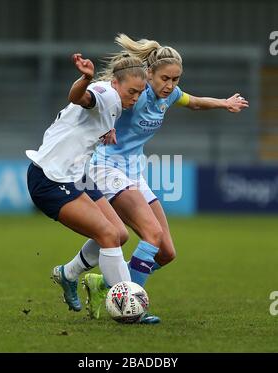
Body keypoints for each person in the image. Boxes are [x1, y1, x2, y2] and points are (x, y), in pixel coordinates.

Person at [68, 35, 249, 323]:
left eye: (176, 79)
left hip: (133, 172)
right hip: (106, 169)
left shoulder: (171, 95)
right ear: (149, 73)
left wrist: (224, 103)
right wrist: (104, 127)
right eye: (165, 78)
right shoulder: (134, 93)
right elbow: (98, 104)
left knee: (165, 252)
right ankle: (131, 306)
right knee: (151, 235)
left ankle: (102, 284)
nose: (171, 85)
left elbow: (195, 102)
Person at [26, 52, 147, 313]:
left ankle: (67, 274)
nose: (135, 98)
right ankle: (128, 305)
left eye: (140, 92)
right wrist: (86, 78)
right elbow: (79, 97)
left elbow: (93, 119)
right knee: (108, 235)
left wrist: (108, 130)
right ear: (116, 82)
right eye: (132, 91)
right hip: (50, 178)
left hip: (75, 176)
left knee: (120, 234)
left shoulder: (116, 103)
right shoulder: (104, 93)